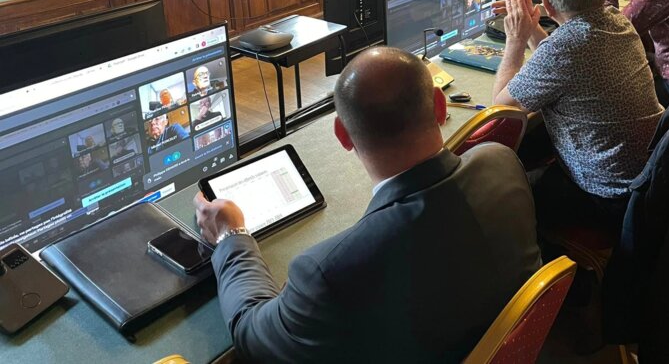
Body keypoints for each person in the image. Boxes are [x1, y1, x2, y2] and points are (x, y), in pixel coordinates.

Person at [193, 47, 541, 363]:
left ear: (342, 135)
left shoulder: (327, 272)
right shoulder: (502, 160)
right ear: (439, 106)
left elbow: (251, 335)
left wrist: (231, 236)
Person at [491, 0, 663, 232]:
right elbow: (558, 59)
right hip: (645, 179)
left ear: (548, 5)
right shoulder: (617, 20)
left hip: (605, 198)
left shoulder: (565, 49)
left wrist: (515, 40)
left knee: (500, 194)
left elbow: (502, 109)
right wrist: (530, 27)